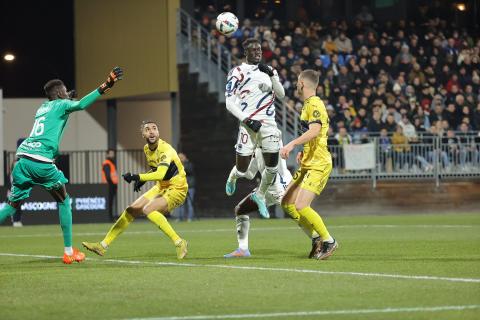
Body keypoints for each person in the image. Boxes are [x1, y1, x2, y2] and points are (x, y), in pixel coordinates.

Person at [0, 66, 124, 264]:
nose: (67, 93)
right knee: (64, 201)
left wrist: (68, 98)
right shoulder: (61, 104)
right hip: (41, 161)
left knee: (12, 206)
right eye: (65, 90)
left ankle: (68, 250)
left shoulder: (42, 108)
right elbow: (81, 105)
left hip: (22, 160)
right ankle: (68, 252)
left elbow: (61, 108)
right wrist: (105, 85)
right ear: (59, 93)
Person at [82, 121, 188, 259]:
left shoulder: (165, 149)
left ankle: (179, 242)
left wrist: (136, 176)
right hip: (161, 186)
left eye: (154, 128)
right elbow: (157, 169)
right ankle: (103, 246)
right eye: (147, 129)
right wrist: (142, 180)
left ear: (158, 132)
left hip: (177, 187)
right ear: (143, 134)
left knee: (148, 210)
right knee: (131, 210)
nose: (151, 131)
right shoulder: (146, 149)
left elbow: (161, 173)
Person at [224, 38, 285, 219]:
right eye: (254, 50)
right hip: (248, 127)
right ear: (246, 53)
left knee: (272, 168)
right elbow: (229, 103)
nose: (258, 52)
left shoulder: (269, 71)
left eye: (259, 49)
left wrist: (273, 76)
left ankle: (259, 196)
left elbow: (281, 95)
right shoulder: (237, 72)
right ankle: (233, 177)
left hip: (269, 125)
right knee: (243, 171)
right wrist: (247, 120)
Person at [280, 69, 338, 260]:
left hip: (319, 163)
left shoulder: (314, 104)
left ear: (302, 84)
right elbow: (315, 135)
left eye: (297, 81)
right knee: (287, 203)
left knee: (301, 205)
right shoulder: (308, 104)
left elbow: (315, 131)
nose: (296, 84)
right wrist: (304, 151)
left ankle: (328, 240)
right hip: (309, 161)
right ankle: (315, 238)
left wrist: (292, 144)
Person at [224, 147, 321, 258]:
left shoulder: (271, 139)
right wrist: (235, 174)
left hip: (281, 188)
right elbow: (250, 173)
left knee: (299, 215)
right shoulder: (257, 147)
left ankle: (321, 240)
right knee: (240, 210)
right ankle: (242, 249)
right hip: (268, 190)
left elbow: (276, 158)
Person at [177, 152, 195, 222]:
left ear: (185, 157)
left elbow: (189, 170)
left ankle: (190, 218)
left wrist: (181, 165)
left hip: (190, 186)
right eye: (179, 158)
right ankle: (180, 217)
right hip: (181, 187)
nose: (180, 159)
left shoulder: (189, 164)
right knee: (180, 203)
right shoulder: (178, 165)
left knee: (190, 203)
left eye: (181, 157)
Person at [102, 149, 118, 221]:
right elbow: (108, 175)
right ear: (107, 154)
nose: (112, 155)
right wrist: (111, 183)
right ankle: (109, 217)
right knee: (109, 202)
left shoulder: (111, 163)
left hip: (112, 185)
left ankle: (110, 217)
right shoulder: (107, 163)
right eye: (111, 154)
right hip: (109, 185)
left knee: (111, 202)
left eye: (113, 153)